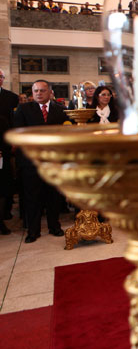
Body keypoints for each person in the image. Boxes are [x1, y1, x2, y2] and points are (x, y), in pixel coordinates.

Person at [13, 80, 70, 243]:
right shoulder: (23, 110)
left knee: (53, 196)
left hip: (54, 162)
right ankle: (33, 230)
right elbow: (19, 133)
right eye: (36, 91)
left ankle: (55, 226)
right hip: (32, 162)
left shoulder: (61, 110)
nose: (38, 93)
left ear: (50, 92)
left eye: (42, 90)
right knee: (32, 198)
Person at [0, 69, 18, 232]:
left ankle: (3, 215)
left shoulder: (11, 98)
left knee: (4, 182)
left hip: (3, 144)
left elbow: (12, 121)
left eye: (0, 76)